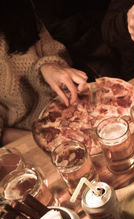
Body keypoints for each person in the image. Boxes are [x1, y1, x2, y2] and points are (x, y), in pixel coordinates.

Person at [0, 0, 88, 145]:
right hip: (24, 140)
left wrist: (47, 67)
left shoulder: (16, 7)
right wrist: (47, 139)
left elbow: (51, 51)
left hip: (66, 113)